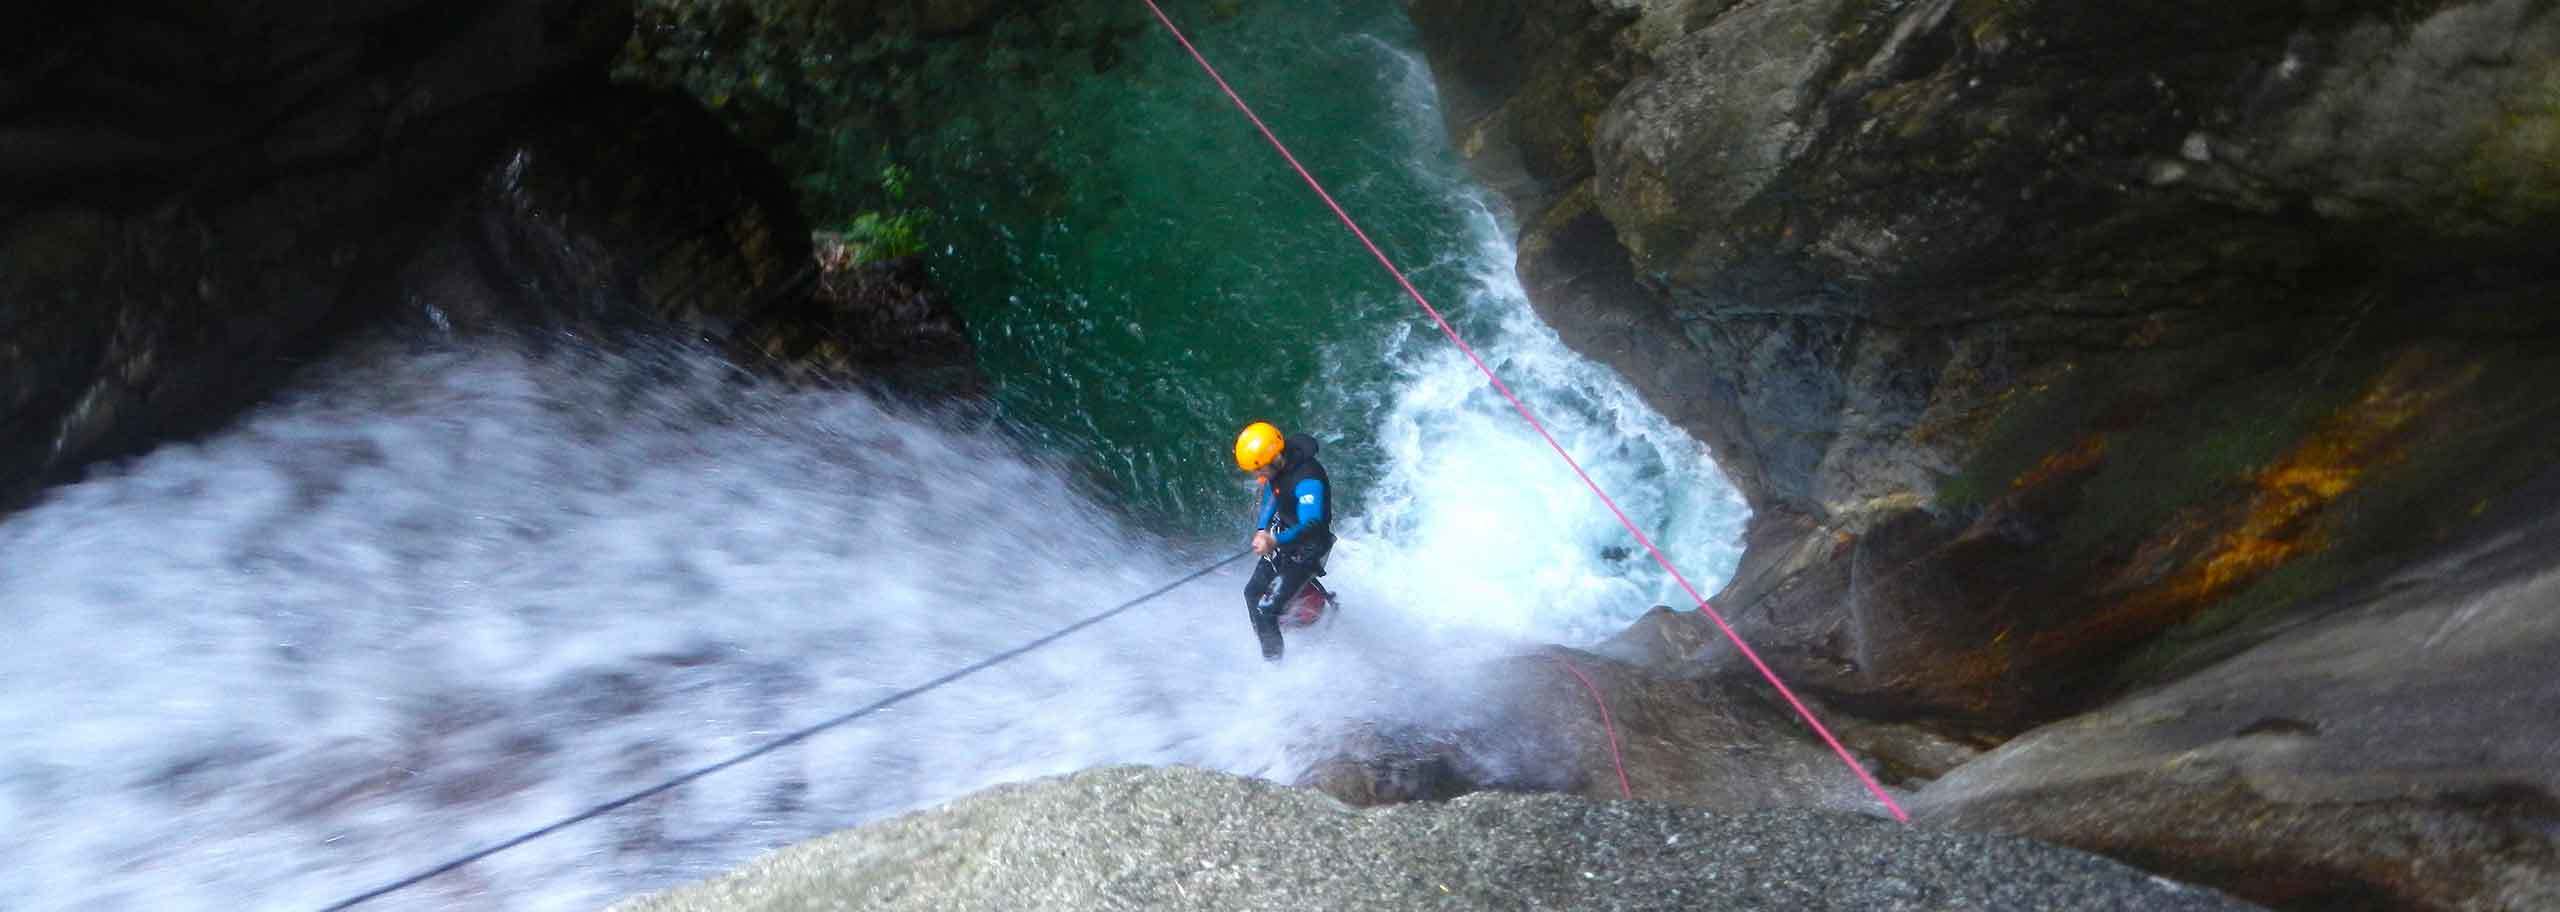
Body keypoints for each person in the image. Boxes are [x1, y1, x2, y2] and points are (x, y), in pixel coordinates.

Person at [1234, 420, 1334, 661]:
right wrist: (1261, 529)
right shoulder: (1278, 467)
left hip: (1309, 547)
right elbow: (1273, 495)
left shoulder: (1309, 480)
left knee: (1266, 610)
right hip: (1284, 537)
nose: (1257, 476)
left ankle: (1274, 669)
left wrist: (1273, 540)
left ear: (1273, 459)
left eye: (1259, 470)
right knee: (1252, 593)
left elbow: (1311, 526)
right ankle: (1268, 640)